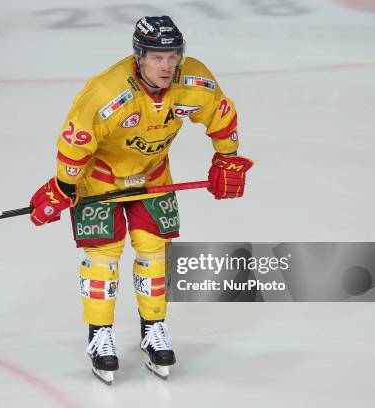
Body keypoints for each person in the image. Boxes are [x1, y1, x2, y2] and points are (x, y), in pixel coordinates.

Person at [29, 16, 253, 384]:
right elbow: (75, 143)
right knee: (103, 258)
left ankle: (154, 328)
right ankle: (100, 336)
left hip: (153, 176)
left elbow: (221, 115)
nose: (166, 66)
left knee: (154, 253)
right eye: (156, 57)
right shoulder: (107, 93)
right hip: (101, 181)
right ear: (139, 56)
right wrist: (63, 188)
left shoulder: (194, 81)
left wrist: (226, 157)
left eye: (172, 56)